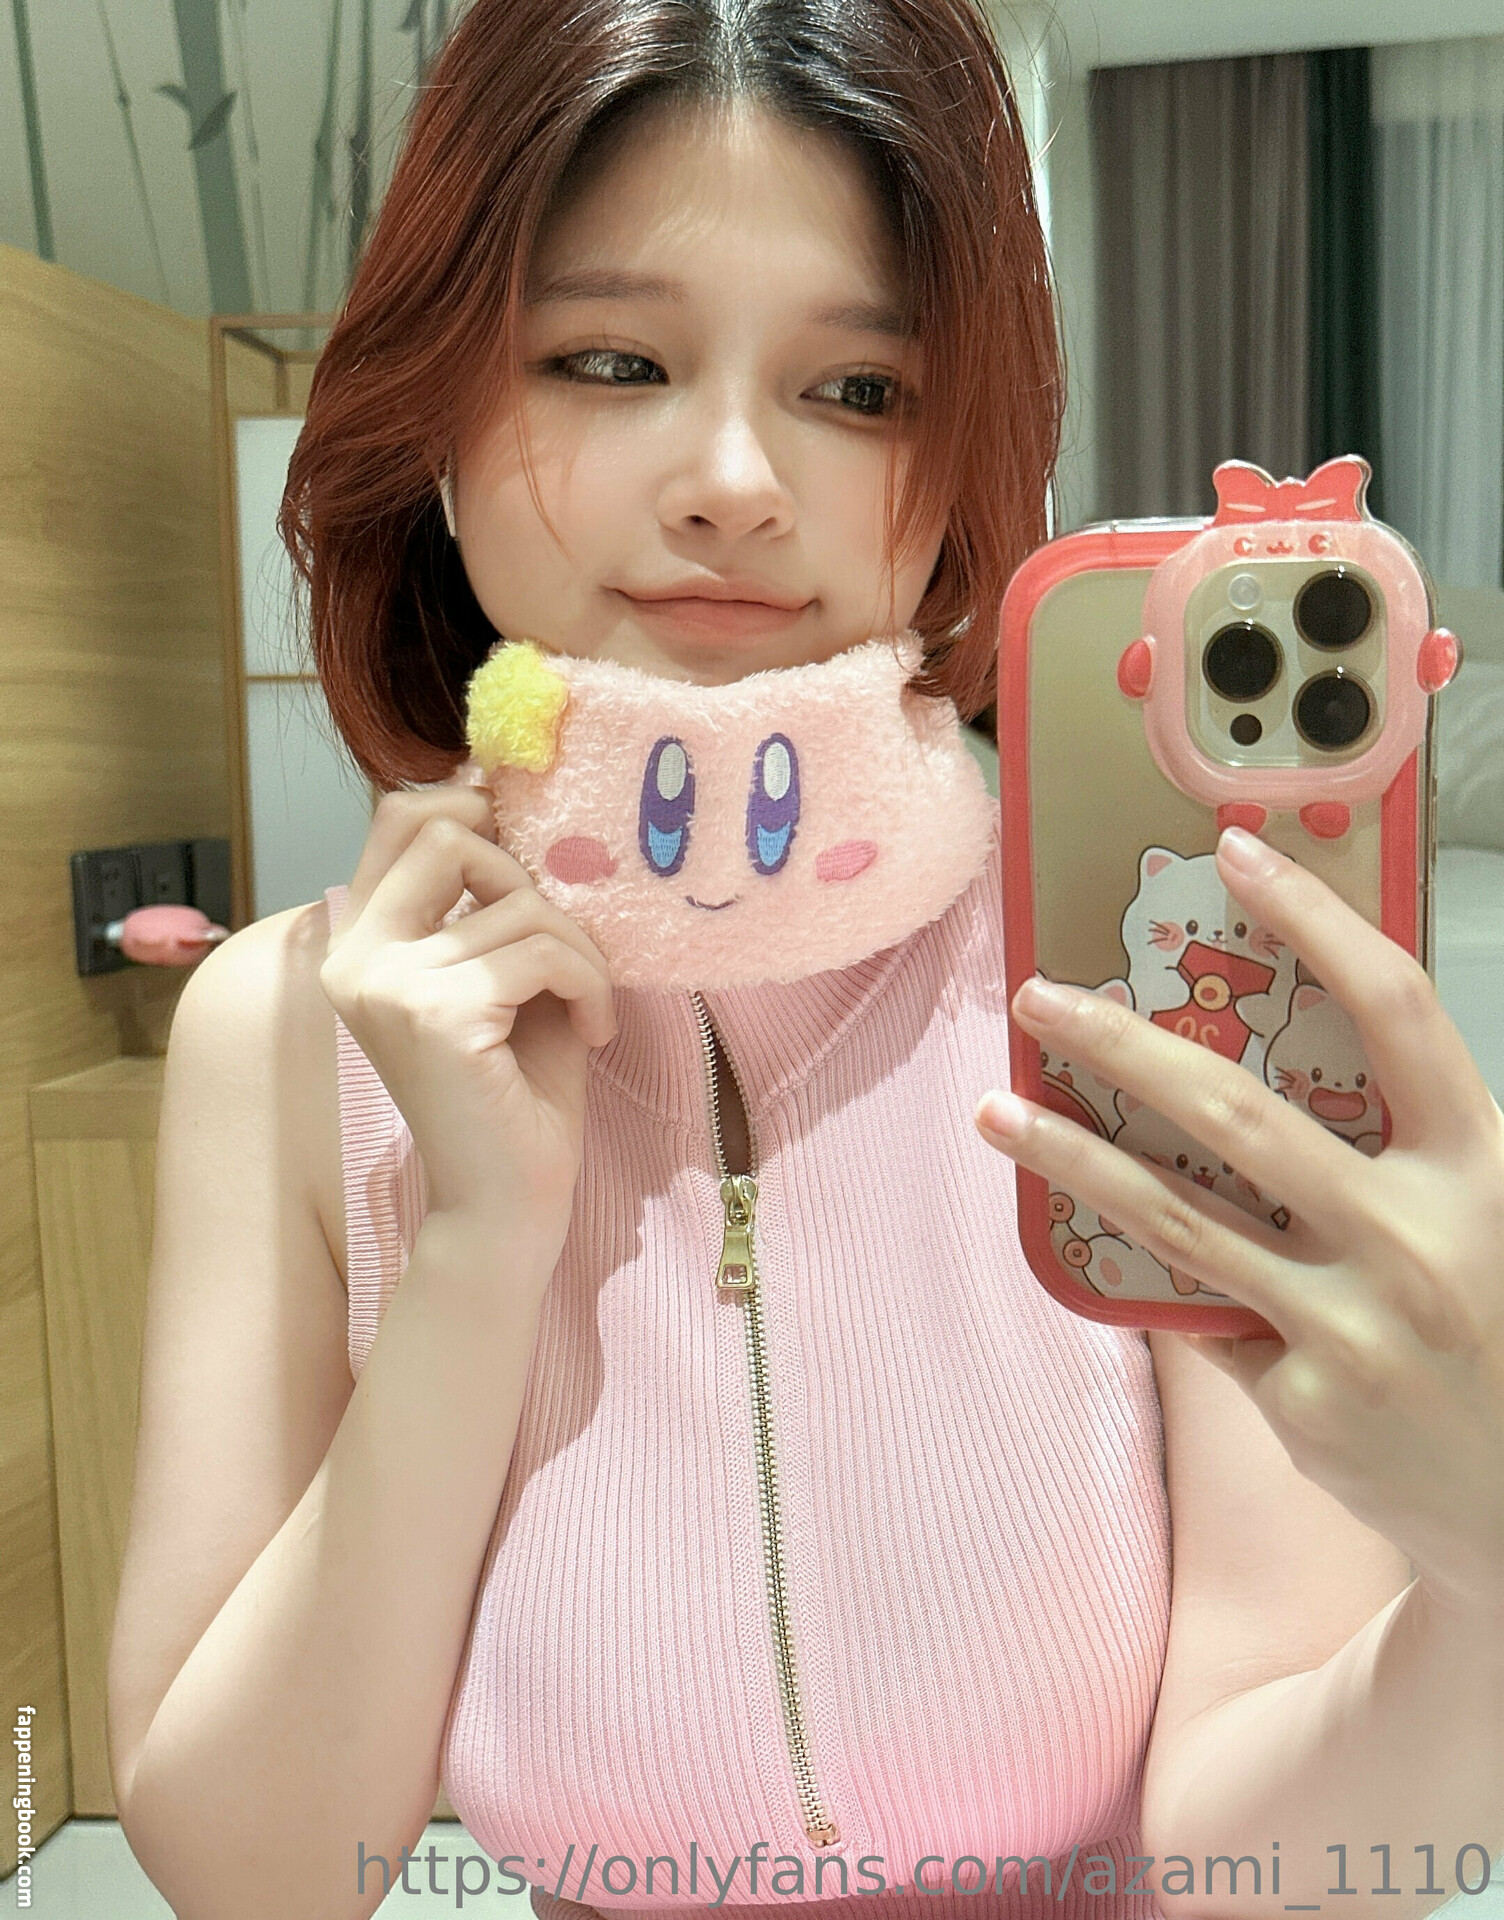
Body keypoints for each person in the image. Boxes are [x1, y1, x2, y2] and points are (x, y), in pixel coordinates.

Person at [106, 4, 1504, 1920]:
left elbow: (1271, 1868)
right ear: (434, 412)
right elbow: (247, 1874)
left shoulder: (1145, 980)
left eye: (860, 388)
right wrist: (473, 1251)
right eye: (610, 361)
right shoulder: (285, 1030)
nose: (735, 479)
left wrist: (1491, 1573)